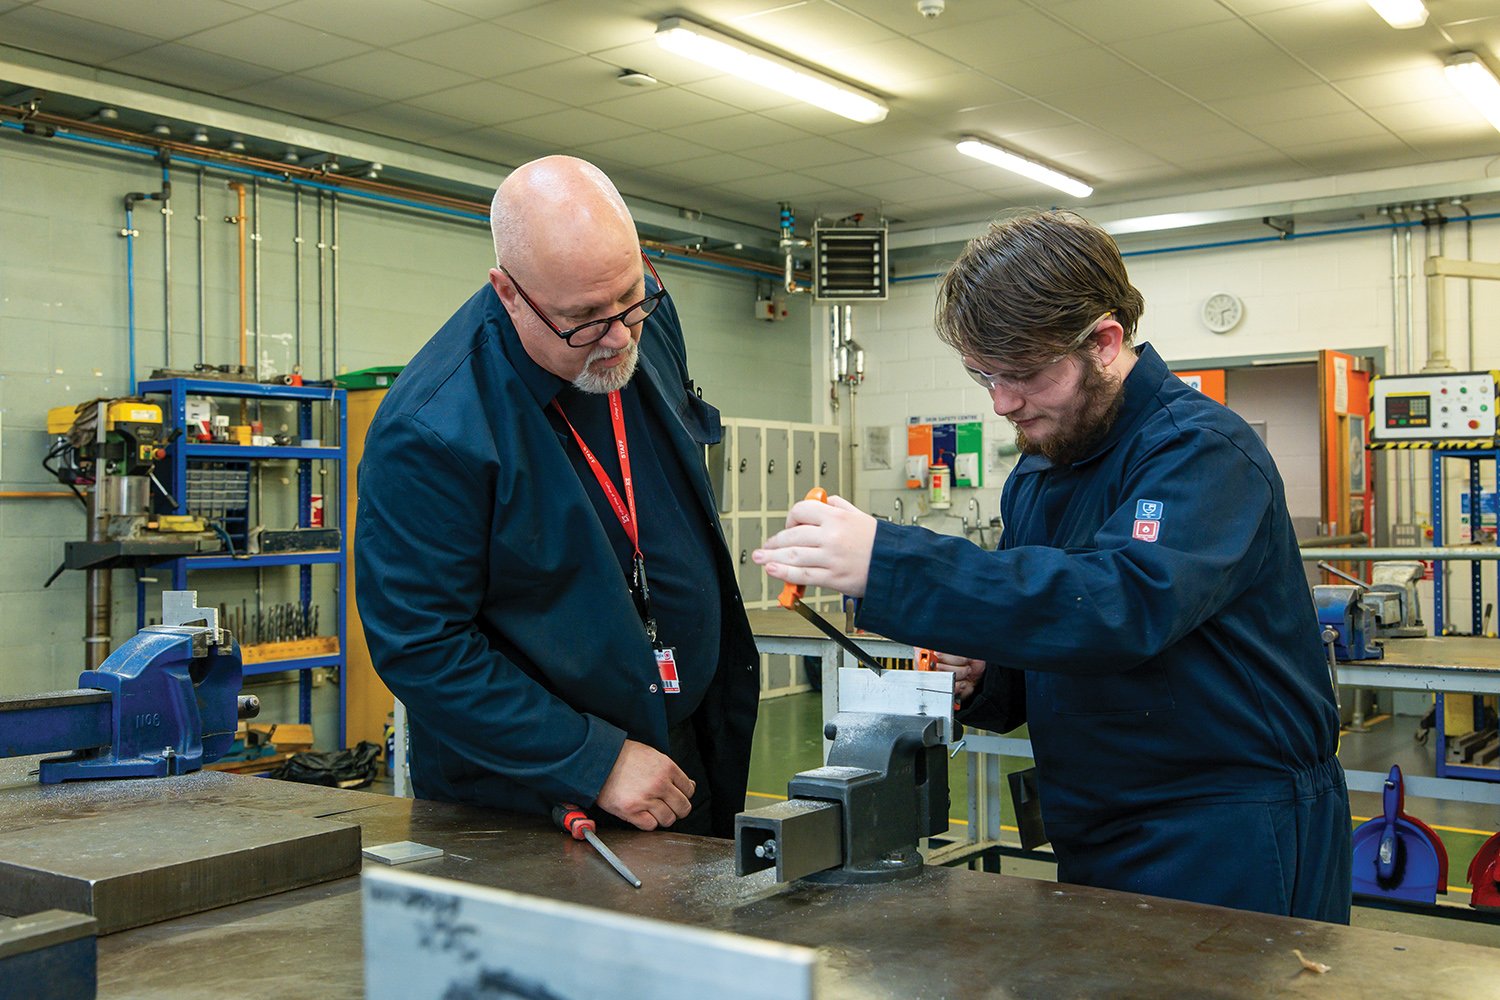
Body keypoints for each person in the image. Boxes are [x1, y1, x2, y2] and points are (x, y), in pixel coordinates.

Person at [754, 210, 1352, 921]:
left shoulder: (1202, 452)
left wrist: (890, 561)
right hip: (1096, 818)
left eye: (1023, 375)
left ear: (1103, 341)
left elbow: (1118, 606)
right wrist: (984, 678)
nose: (1003, 403)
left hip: (1229, 826)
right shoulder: (1042, 467)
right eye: (983, 375)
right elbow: (1051, 636)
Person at [356, 155, 759, 837]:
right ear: (509, 293)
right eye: (583, 321)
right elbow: (421, 645)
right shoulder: (430, 429)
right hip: (535, 795)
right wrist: (590, 760)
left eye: (631, 301)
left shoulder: (639, 318)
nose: (619, 337)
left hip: (683, 746)